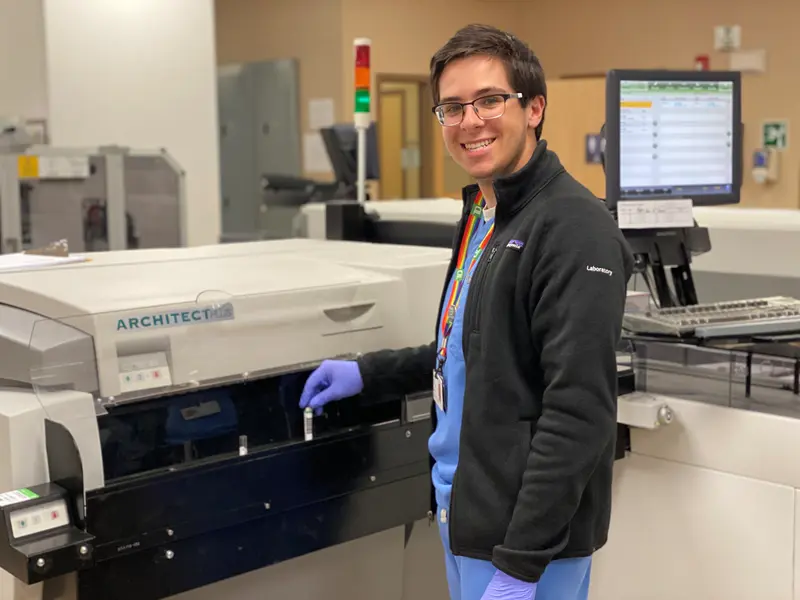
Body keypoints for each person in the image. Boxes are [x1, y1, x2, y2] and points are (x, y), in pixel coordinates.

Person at [299, 23, 634, 600]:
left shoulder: (574, 228)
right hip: (466, 512)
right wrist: (368, 374)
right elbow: (473, 346)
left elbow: (579, 415)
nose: (469, 122)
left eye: (488, 100)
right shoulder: (487, 211)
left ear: (534, 108)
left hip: (525, 542)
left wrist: (520, 567)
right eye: (452, 108)